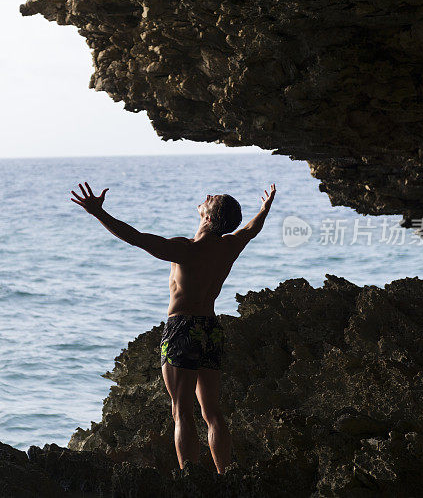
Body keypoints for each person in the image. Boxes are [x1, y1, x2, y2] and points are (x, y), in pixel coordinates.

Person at [70, 181, 276, 474]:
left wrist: (99, 214)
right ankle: (225, 476)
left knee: (182, 412)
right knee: (212, 411)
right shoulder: (229, 246)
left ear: (209, 216)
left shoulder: (186, 250)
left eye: (211, 198)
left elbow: (136, 238)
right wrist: (264, 209)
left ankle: (191, 481)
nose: (206, 196)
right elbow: (251, 229)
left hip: (183, 328)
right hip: (211, 329)